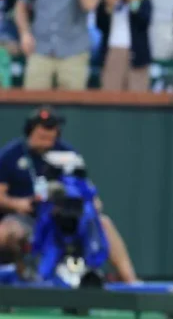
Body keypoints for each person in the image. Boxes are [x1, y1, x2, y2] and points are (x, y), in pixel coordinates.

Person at [0, 107, 138, 282]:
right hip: (27, 218)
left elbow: (88, 191)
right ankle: (20, 280)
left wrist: (91, 203)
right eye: (42, 133)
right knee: (6, 230)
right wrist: (19, 204)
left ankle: (131, 281)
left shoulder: (67, 154)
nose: (47, 139)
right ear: (30, 131)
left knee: (104, 223)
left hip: (62, 217)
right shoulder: (11, 155)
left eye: (52, 133)